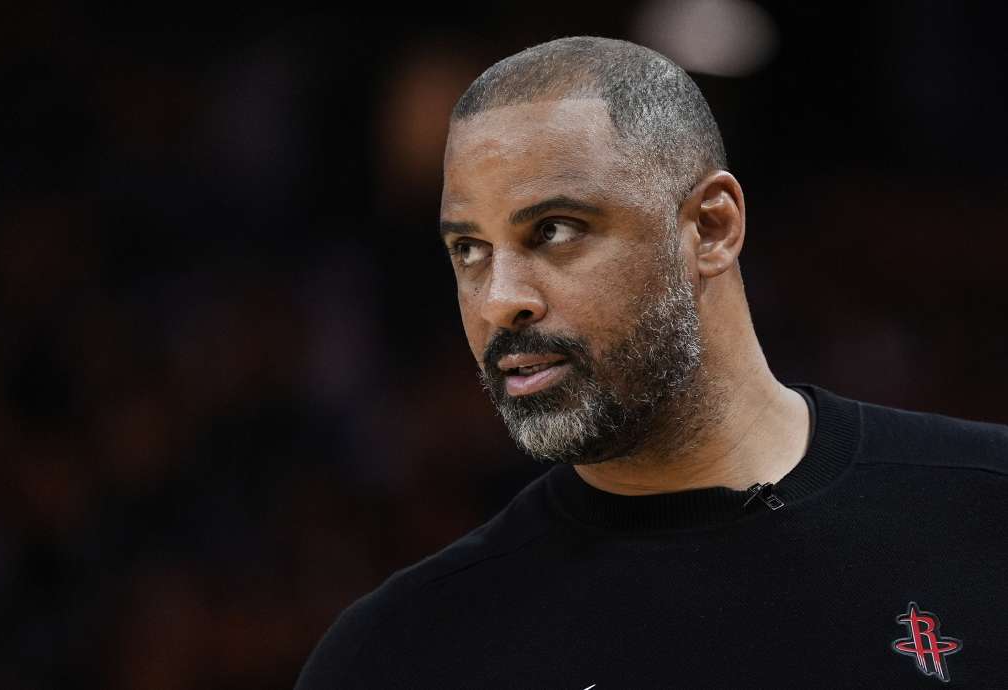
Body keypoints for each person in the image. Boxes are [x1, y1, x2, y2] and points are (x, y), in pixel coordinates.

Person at [295, 36, 1008, 688]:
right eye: (468, 250)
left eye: (554, 230)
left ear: (712, 227)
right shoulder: (395, 653)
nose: (499, 302)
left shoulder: (985, 509)